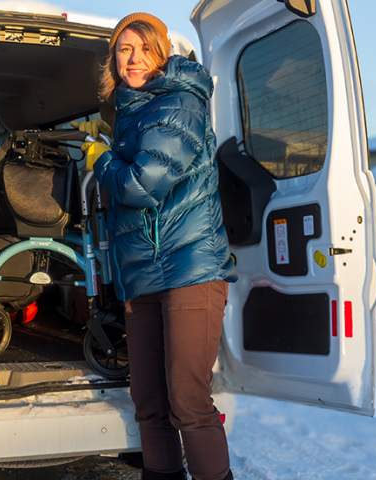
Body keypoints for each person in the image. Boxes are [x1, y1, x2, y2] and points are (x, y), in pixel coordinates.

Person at [73, 12, 238, 480]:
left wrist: (101, 158)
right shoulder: (134, 111)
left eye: (145, 48)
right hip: (143, 273)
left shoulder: (178, 104)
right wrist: (110, 144)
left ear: (163, 54)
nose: (134, 59)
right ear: (113, 59)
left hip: (189, 271)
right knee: (150, 404)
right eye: (124, 50)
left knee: (188, 403)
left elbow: (142, 187)